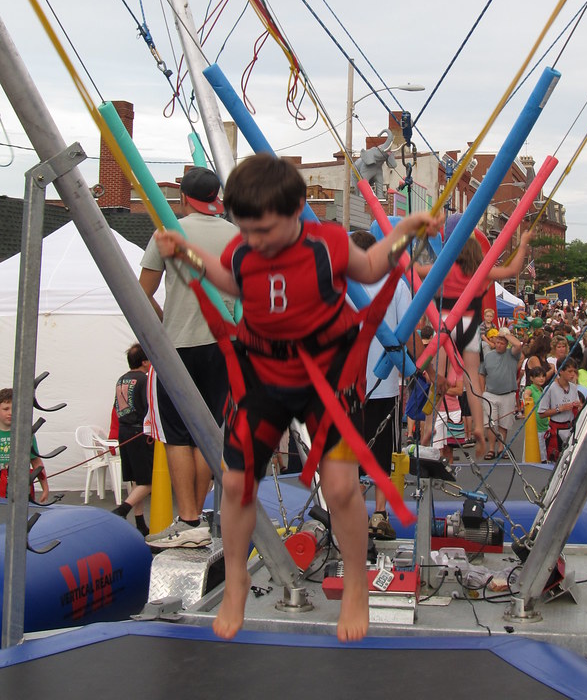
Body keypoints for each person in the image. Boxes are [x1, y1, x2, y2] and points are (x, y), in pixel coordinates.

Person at [153, 153, 443, 643]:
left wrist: (405, 230)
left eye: (266, 230)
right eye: (247, 231)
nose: (257, 241)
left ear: (297, 212)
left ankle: (355, 583)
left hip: (326, 374)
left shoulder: (329, 245)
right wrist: (187, 255)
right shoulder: (243, 251)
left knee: (342, 486)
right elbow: (230, 282)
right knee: (236, 482)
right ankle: (238, 580)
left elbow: (372, 268)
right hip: (263, 373)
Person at [140, 167, 238, 549]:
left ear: (182, 198)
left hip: (179, 343)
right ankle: (198, 517)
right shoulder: (235, 236)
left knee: (179, 436)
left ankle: (189, 519)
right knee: (209, 432)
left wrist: (167, 320)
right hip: (222, 344)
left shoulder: (168, 234)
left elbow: (142, 291)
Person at [414, 228, 532, 460]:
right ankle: (478, 426)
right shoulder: (481, 273)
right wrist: (524, 242)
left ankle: (428, 429)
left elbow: (416, 270)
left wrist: (412, 248)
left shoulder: (445, 269)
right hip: (468, 322)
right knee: (472, 381)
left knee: (438, 380)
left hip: (446, 321)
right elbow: (512, 269)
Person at [349, 229, 412, 541]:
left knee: (353, 449)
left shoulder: (342, 286)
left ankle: (356, 513)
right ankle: (379, 513)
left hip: (350, 383)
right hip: (383, 381)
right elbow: (406, 332)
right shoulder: (396, 286)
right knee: (383, 450)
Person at [111, 344, 154, 536]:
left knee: (138, 479)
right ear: (144, 362)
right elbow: (149, 407)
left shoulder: (122, 379)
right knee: (148, 480)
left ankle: (140, 521)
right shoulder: (144, 380)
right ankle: (122, 510)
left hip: (124, 431)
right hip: (139, 433)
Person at [0, 387, 49, 502]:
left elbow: (36, 461)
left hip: (20, 487)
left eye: (14, 408)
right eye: (5, 409)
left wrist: (45, 488)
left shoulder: (26, 434)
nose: (10, 413)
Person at [479, 329, 520, 458]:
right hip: (490, 394)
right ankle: (491, 449)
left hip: (507, 394)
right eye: (497, 342)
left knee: (504, 423)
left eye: (502, 343)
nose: (499, 345)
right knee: (491, 423)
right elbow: (482, 374)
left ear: (506, 344)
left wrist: (505, 334)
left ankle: (501, 447)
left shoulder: (512, 354)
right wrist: (482, 392)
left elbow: (518, 345)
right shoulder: (488, 356)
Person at [537, 357, 583, 458]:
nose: (572, 374)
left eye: (574, 371)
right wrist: (559, 409)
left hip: (570, 430)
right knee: (554, 461)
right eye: (569, 371)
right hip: (556, 432)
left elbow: (578, 407)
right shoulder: (550, 389)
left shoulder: (574, 387)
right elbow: (541, 413)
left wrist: (578, 406)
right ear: (561, 371)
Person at [522, 365, 549, 461]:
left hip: (544, 425)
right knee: (537, 451)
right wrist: (526, 397)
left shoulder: (542, 390)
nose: (541, 378)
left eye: (543, 376)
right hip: (535, 427)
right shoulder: (531, 388)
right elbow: (526, 393)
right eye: (538, 376)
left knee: (544, 450)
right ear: (531, 378)